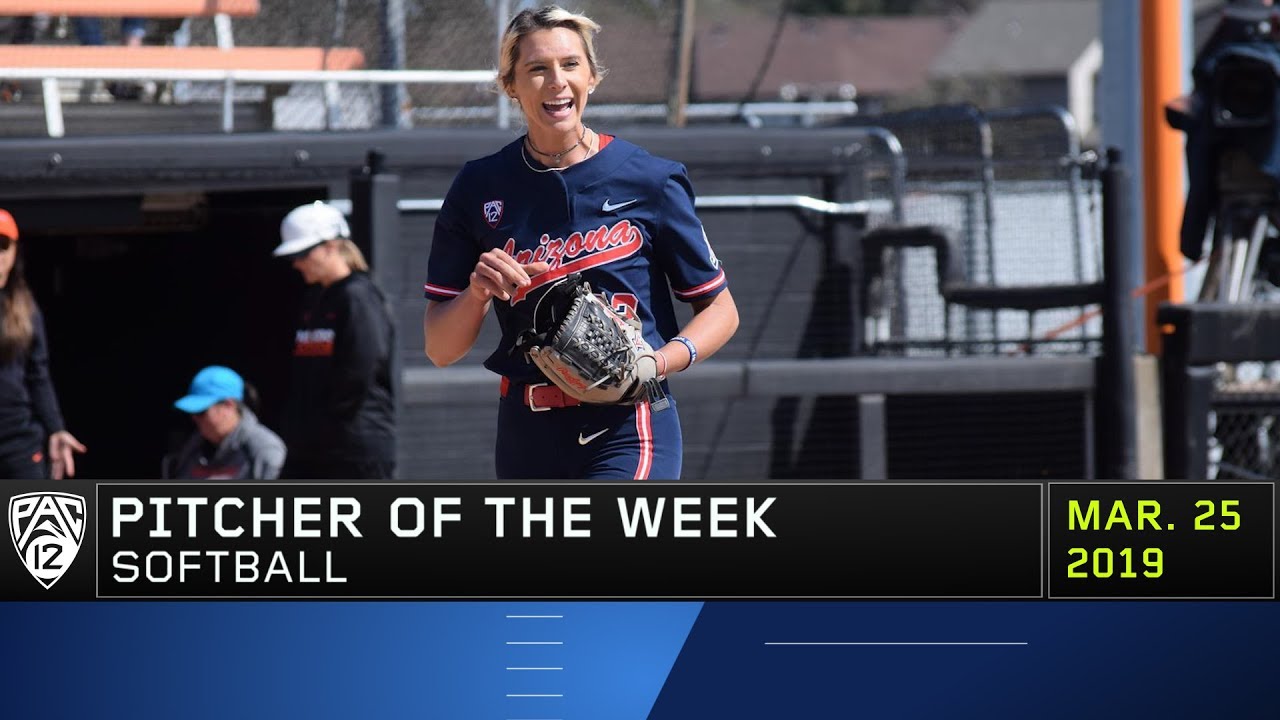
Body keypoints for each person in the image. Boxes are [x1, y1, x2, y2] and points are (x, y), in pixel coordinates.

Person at [422, 5, 739, 480]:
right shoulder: (479, 186)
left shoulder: (649, 179)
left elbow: (721, 310)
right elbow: (440, 350)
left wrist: (657, 363)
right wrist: (477, 293)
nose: (556, 81)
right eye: (537, 69)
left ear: (592, 77)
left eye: (570, 65)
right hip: (526, 430)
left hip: (628, 423)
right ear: (510, 85)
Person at [274, 201, 397, 479]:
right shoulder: (314, 299)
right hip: (314, 446)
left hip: (354, 448)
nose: (296, 263)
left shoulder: (357, 296)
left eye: (302, 253)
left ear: (331, 246)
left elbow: (360, 368)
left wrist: (324, 423)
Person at [0, 208, 87, 479]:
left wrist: (56, 428)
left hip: (18, 439)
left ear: (15, 251)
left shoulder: (25, 309)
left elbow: (38, 375)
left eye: (2, 246)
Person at [168, 365, 286, 480]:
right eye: (192, 411)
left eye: (201, 411)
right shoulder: (192, 447)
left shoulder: (263, 449)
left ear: (229, 405)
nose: (194, 417)